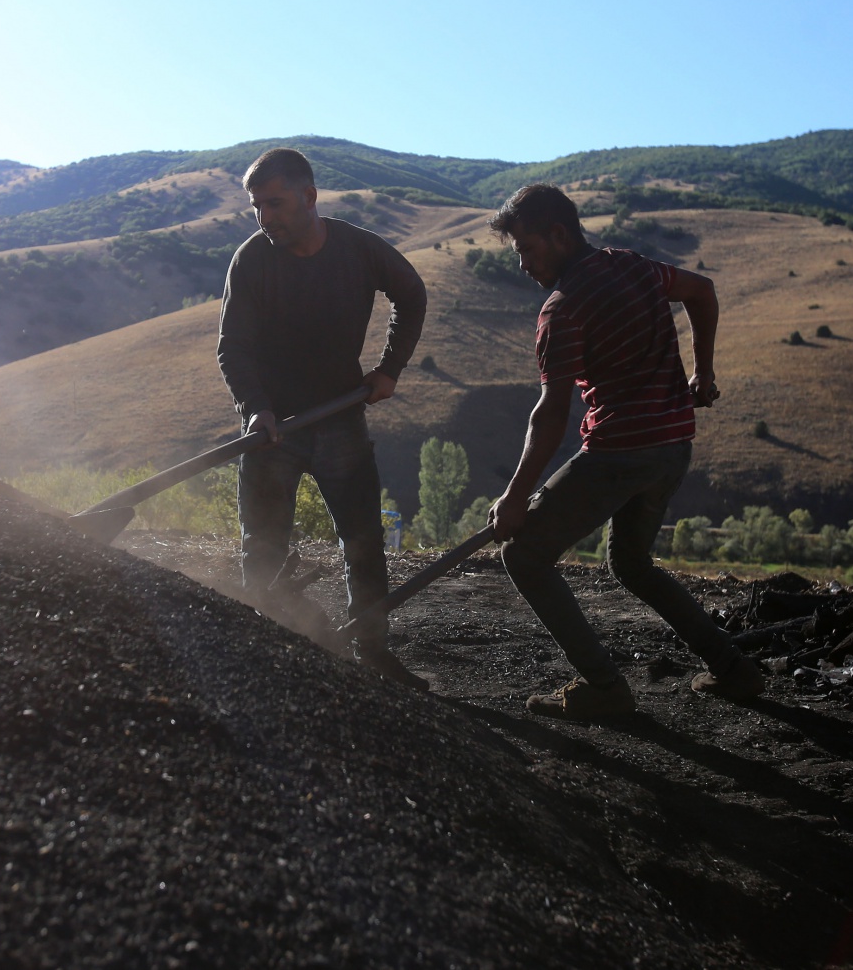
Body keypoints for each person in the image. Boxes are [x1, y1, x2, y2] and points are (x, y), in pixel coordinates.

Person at [486, 183, 764, 718]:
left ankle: (605, 689)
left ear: (559, 234)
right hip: (672, 445)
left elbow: (549, 416)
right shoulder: (634, 266)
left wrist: (515, 496)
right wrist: (701, 374)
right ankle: (735, 669)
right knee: (632, 564)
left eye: (526, 248)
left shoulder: (561, 311)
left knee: (524, 553)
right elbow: (702, 290)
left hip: (621, 452)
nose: (522, 263)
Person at [217, 148, 428, 687]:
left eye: (275, 203)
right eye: (257, 207)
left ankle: (373, 653)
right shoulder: (253, 260)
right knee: (262, 548)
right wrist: (255, 409)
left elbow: (411, 292)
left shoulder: (357, 249)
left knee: (362, 540)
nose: (265, 216)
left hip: (341, 419)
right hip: (273, 432)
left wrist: (390, 369)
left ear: (310, 197)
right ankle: (270, 654)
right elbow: (233, 347)